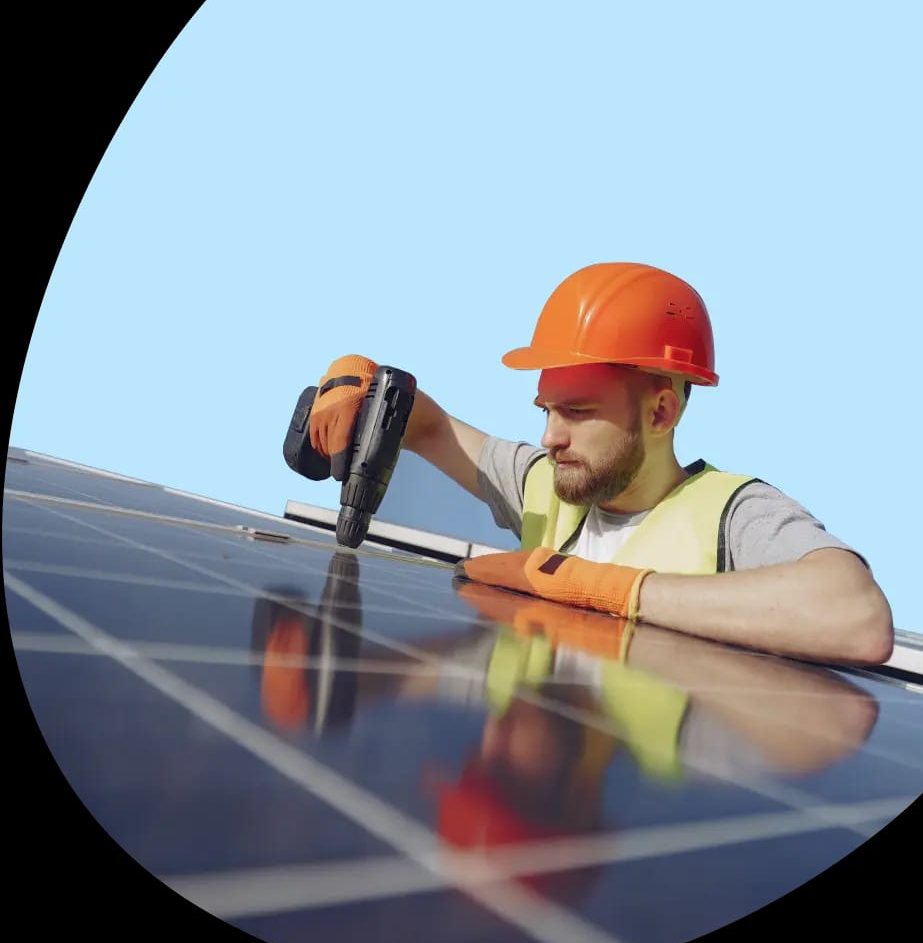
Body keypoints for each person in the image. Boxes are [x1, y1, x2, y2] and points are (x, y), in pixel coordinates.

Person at [307, 261, 894, 665]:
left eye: (579, 412)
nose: (550, 436)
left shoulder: (732, 515)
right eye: (546, 409)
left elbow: (856, 617)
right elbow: (427, 425)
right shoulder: (549, 484)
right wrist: (357, 376)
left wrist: (596, 589)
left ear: (661, 412)